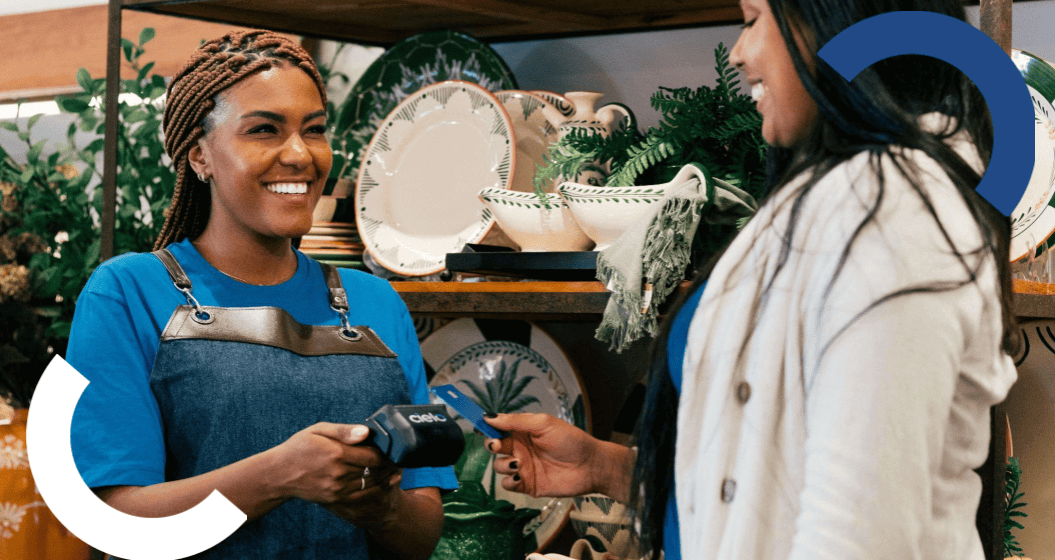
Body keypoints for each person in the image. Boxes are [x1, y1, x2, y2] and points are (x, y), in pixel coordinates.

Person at [485, 1, 1019, 559]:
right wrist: (605, 467)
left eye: (753, 18)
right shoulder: (829, 196)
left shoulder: (892, 214)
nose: (738, 53)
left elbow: (856, 536)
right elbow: (765, 481)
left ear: (836, 18)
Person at [65, 30, 456, 560]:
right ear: (199, 155)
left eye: (313, 130)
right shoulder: (127, 292)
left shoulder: (377, 302)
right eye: (264, 130)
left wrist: (380, 508)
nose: (299, 154)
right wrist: (280, 475)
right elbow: (117, 525)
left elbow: (421, 538)